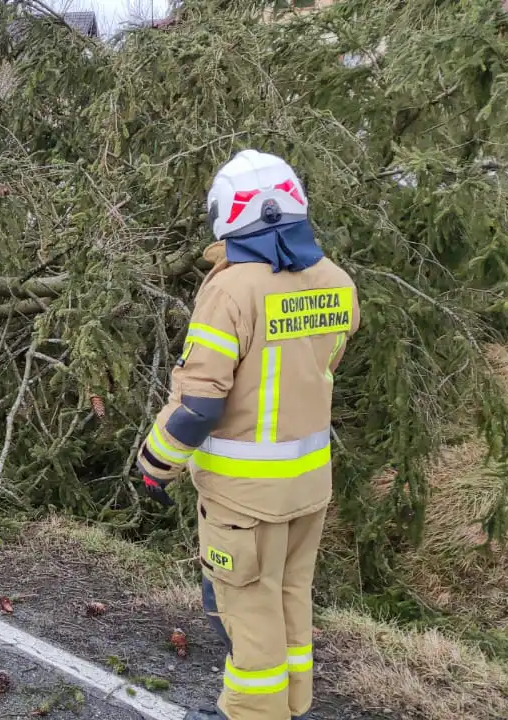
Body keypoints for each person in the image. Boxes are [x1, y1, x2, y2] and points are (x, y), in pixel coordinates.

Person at [133, 149, 360, 720]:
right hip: (309, 485)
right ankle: (293, 706)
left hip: (244, 497)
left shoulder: (232, 290)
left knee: (249, 612)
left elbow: (199, 404)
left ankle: (253, 713)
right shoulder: (336, 282)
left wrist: (156, 462)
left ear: (227, 215)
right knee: (290, 598)